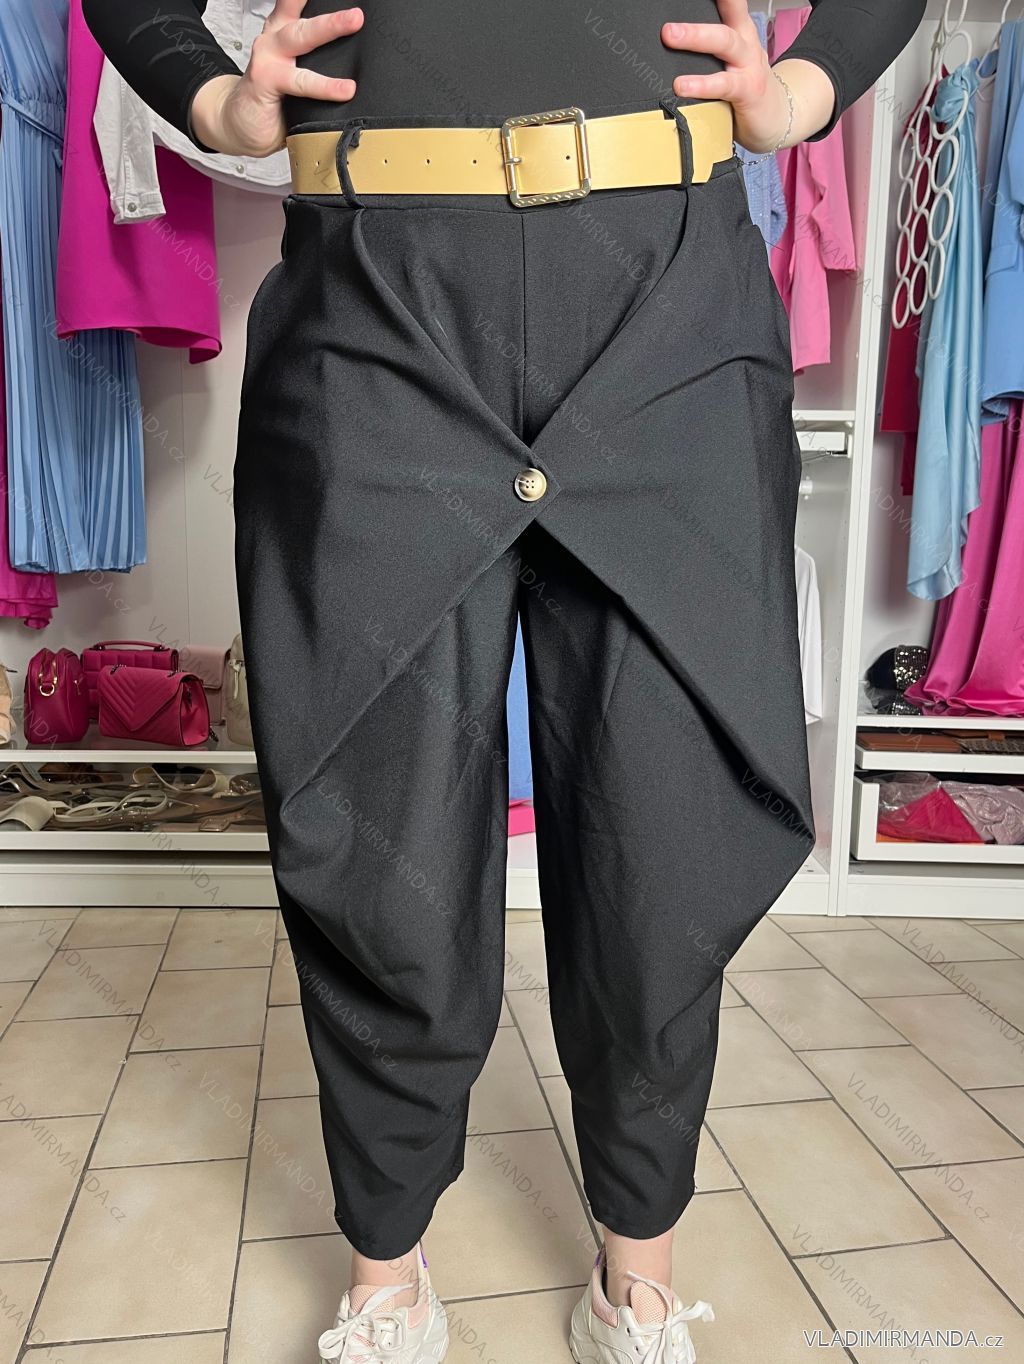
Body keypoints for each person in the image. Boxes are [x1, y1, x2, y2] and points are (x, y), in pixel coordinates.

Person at [84, 4, 925, 1360]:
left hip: (666, 308)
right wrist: (209, 99)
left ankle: (637, 1275)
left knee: (665, 821)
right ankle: (387, 1271)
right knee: (375, 824)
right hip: (375, 304)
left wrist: (811, 90)